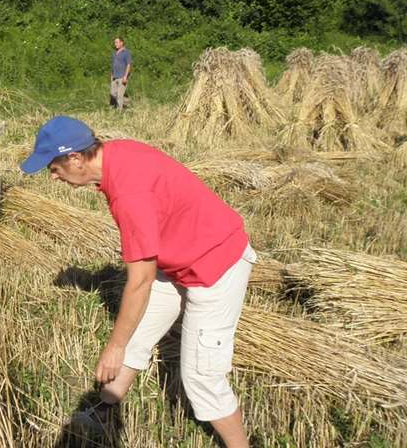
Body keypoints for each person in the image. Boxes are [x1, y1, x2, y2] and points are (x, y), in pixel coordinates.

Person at [20, 116, 256, 448]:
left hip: (215, 267)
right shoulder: (117, 156)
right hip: (179, 261)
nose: (53, 176)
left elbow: (141, 281)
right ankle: (104, 412)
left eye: (54, 168)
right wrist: (121, 341)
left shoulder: (129, 192)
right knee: (134, 329)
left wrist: (113, 347)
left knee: (202, 378)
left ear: (74, 158)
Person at [110, 37, 132, 110]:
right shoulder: (114, 53)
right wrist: (111, 75)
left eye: (116, 42)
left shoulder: (126, 52)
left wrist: (125, 76)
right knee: (113, 94)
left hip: (122, 77)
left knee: (119, 95)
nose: (115, 44)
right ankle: (127, 102)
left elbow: (129, 65)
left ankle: (119, 111)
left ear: (121, 43)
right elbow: (113, 64)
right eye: (114, 42)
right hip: (114, 77)